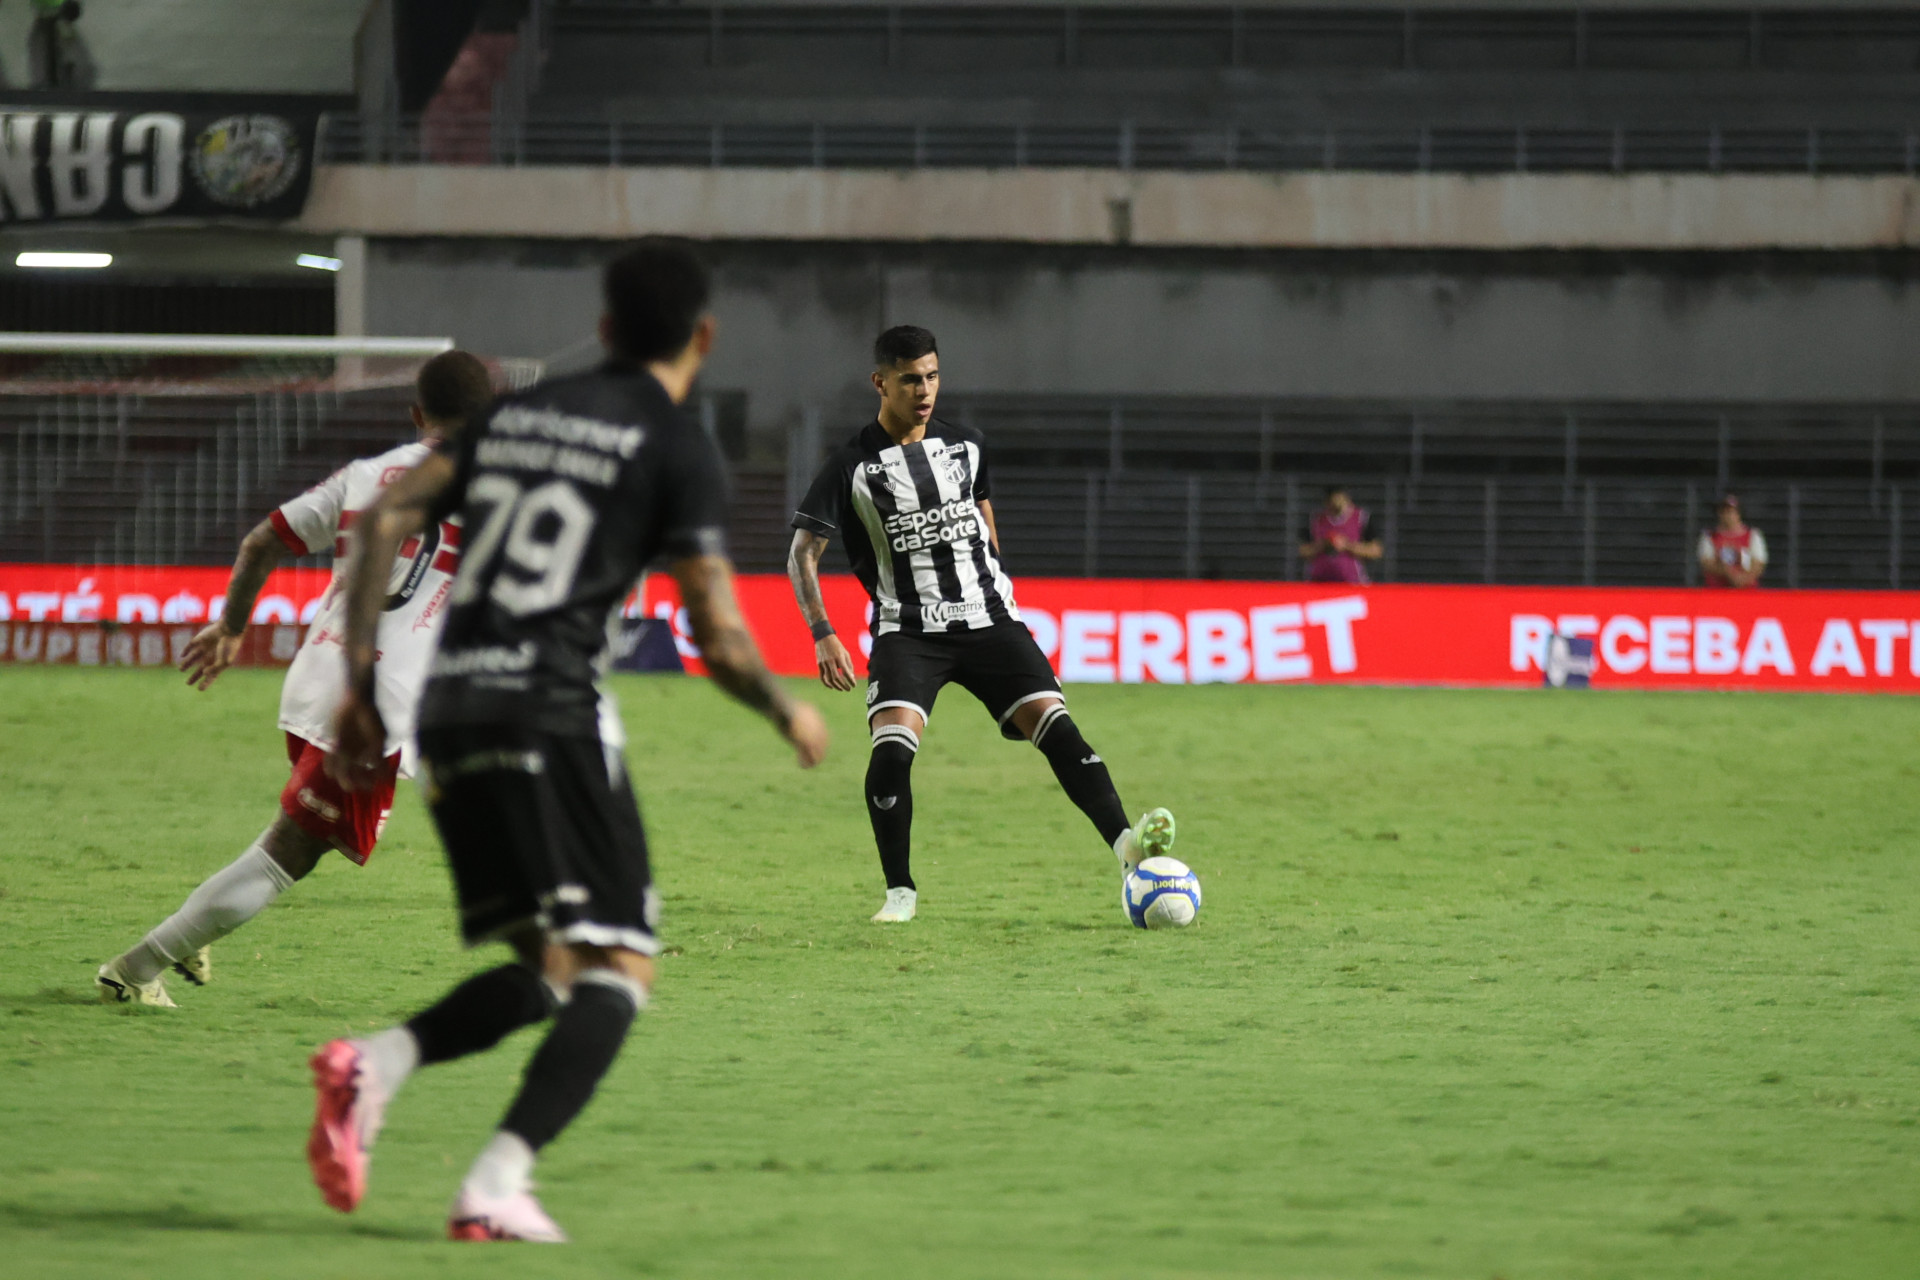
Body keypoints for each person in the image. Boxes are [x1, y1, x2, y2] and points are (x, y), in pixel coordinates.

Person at [312, 239, 830, 1243]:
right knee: (620, 968)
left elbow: (383, 525)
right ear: (704, 337)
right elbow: (719, 637)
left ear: (601, 330)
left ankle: (377, 1066)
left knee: (552, 968)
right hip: (549, 716)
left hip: (448, 717)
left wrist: (357, 681)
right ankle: (496, 1180)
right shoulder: (679, 445)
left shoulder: (509, 412)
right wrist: (784, 708)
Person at [94, 350, 495, 1007]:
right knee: (290, 853)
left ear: (417, 414)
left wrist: (228, 629)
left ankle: (198, 922)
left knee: (303, 841)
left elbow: (261, 542)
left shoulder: (366, 475)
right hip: (375, 703)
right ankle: (134, 971)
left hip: (315, 675)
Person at [787, 324, 1173, 924]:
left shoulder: (967, 445)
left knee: (1060, 731)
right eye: (911, 379)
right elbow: (802, 551)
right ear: (880, 382)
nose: (925, 390)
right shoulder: (850, 467)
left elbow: (984, 515)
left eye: (933, 376)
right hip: (907, 631)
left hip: (991, 621)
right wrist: (823, 631)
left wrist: (994, 578)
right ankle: (900, 893)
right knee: (891, 754)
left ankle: (1128, 850)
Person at [1299, 485, 1382, 584]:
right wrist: (1324, 545)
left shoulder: (1361, 518)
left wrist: (1347, 546)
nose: (1335, 503)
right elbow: (1303, 551)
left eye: (1339, 498)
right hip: (1319, 583)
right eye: (1332, 499)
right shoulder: (1315, 519)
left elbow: (1376, 551)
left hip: (1353, 583)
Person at [1698, 493, 1768, 588]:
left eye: (1730, 512)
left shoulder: (1753, 535)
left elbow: (1758, 564)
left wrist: (1742, 579)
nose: (1727, 515)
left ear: (1739, 513)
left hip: (1748, 592)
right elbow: (1707, 563)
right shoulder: (1710, 536)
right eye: (1723, 511)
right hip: (1716, 591)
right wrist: (1727, 573)